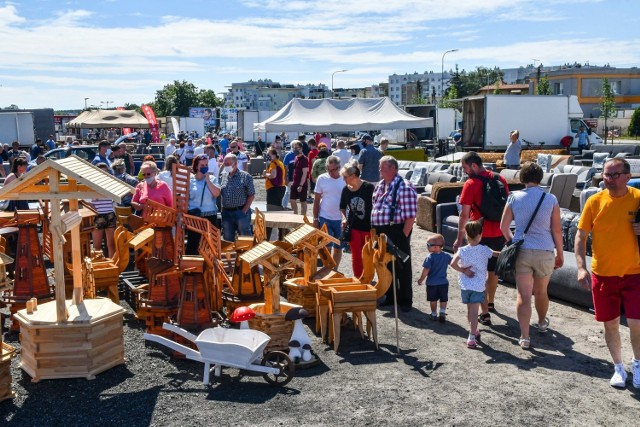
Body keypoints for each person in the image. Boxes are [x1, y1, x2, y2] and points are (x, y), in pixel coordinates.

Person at [575, 158, 640, 389]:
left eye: (614, 175)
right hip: (603, 275)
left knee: (637, 323)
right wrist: (581, 267)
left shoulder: (638, 199)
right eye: (606, 174)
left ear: (627, 176)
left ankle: (638, 366)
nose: (609, 179)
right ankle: (619, 368)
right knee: (610, 325)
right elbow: (581, 236)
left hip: (635, 274)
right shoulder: (594, 201)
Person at [500, 162, 564, 349]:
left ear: (522, 178)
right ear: (540, 177)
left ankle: (524, 337)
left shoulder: (513, 197)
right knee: (542, 292)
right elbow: (557, 230)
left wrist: (514, 241)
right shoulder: (551, 199)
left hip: (523, 251)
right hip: (545, 250)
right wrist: (560, 253)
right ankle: (542, 323)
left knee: (524, 294)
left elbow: (503, 227)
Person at [454, 151, 510, 325]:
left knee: (476, 272)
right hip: (499, 232)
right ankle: (490, 302)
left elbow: (464, 215)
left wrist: (459, 237)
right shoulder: (500, 179)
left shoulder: (471, 184)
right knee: (493, 272)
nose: (464, 172)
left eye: (465, 167)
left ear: (474, 166)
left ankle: (483, 310)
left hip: (478, 233)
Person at [372, 156, 417, 312]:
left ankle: (405, 300)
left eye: (383, 168)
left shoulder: (404, 186)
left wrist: (403, 236)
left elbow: (410, 216)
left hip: (396, 229)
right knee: (386, 265)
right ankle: (391, 296)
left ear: (393, 169)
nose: (380, 171)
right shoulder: (380, 185)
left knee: (402, 265)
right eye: (380, 168)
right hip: (381, 230)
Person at [450, 221, 499, 349]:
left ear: (466, 235)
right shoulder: (484, 249)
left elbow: (453, 264)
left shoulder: (462, 250)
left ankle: (474, 330)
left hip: (465, 284)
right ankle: (471, 337)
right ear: (480, 235)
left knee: (469, 309)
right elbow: (495, 254)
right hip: (478, 285)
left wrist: (464, 270)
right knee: (474, 310)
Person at [339, 160, 375, 278]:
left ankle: (368, 279)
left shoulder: (369, 187)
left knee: (368, 255)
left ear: (353, 176)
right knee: (356, 256)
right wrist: (344, 218)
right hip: (353, 227)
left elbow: (376, 206)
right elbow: (342, 207)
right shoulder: (345, 189)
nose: (343, 179)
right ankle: (359, 280)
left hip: (368, 228)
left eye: (345, 177)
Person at [313, 156, 346, 268]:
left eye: (336, 169)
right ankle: (326, 270)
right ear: (327, 168)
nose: (334, 172)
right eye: (331, 170)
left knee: (338, 248)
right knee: (326, 248)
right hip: (325, 217)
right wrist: (315, 219)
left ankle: (334, 271)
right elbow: (316, 200)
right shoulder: (322, 179)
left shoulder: (345, 178)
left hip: (341, 220)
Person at [185, 155, 221, 255]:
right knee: (193, 245)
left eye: (206, 165)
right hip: (195, 217)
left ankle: (209, 269)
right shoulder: (190, 181)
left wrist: (208, 180)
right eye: (202, 165)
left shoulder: (212, 179)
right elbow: (185, 198)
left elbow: (217, 193)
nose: (205, 167)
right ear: (196, 166)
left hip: (210, 216)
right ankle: (193, 269)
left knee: (211, 246)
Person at [416, 234, 452, 323]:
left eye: (428, 245)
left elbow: (426, 270)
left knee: (433, 300)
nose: (427, 247)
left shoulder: (429, 257)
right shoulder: (446, 256)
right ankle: (442, 312)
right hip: (443, 282)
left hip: (432, 283)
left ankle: (434, 314)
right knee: (443, 299)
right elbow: (453, 263)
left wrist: (421, 279)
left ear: (436, 247)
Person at [219, 153, 255, 242]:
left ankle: (246, 256)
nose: (226, 166)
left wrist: (244, 211)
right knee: (228, 240)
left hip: (241, 212)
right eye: (225, 164)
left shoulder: (245, 176)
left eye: (228, 164)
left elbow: (251, 195)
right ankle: (230, 256)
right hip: (227, 213)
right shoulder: (223, 177)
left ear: (235, 163)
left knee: (245, 239)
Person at [91, 162, 117, 258]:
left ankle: (112, 266)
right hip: (98, 215)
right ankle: (97, 268)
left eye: (105, 172)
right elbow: (87, 201)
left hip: (109, 214)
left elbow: (115, 198)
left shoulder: (110, 183)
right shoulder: (91, 184)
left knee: (111, 244)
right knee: (97, 246)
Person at [289, 141, 309, 216]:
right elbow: (295, 171)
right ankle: (295, 216)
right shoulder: (296, 158)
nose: (295, 149)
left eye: (297, 148)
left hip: (302, 184)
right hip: (295, 183)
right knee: (292, 200)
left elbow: (305, 173)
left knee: (303, 202)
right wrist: (292, 181)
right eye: (294, 148)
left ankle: (303, 218)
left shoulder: (304, 159)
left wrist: (301, 185)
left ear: (301, 148)